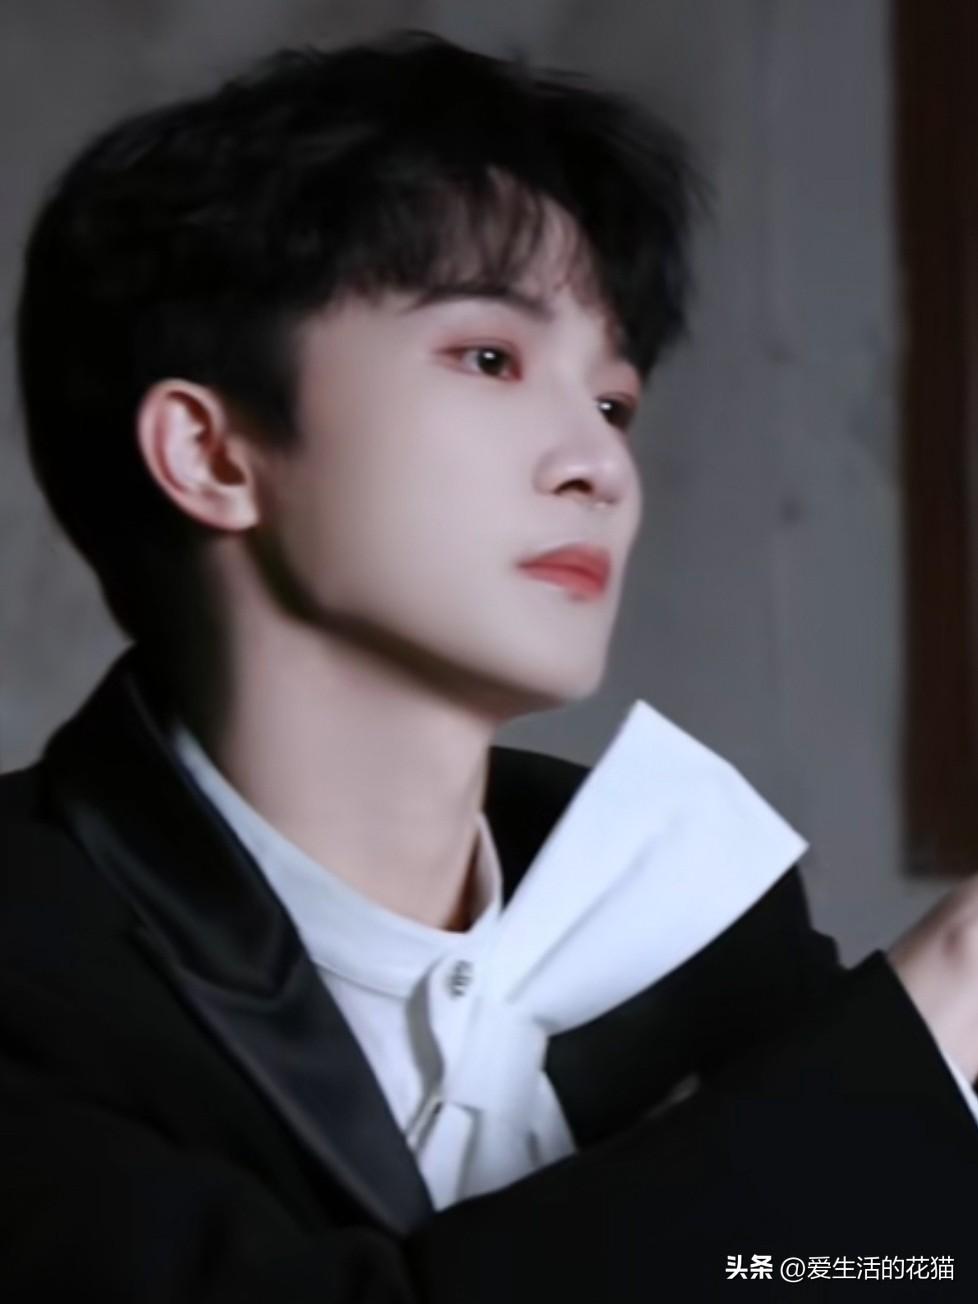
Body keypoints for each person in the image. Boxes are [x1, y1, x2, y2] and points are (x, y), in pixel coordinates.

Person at [4, 28, 978, 1301]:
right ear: (213, 452)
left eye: (614, 402)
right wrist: (929, 1019)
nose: (601, 464)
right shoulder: (33, 947)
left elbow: (875, 1270)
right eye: (490, 358)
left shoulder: (679, 915)